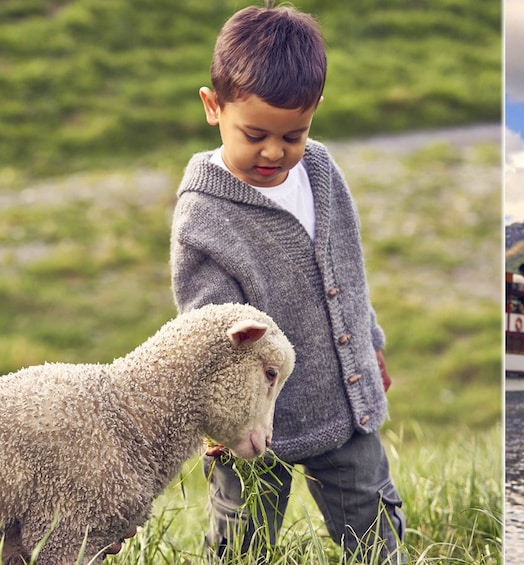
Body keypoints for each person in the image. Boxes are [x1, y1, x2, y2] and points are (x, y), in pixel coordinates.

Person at [169, 3, 405, 562]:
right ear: (213, 107)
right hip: (251, 427)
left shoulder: (321, 171)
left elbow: (348, 273)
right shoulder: (204, 215)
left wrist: (370, 347)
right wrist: (219, 413)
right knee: (241, 544)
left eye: (293, 134)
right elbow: (207, 327)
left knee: (375, 533)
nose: (275, 152)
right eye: (254, 134)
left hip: (342, 407)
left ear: (315, 112)